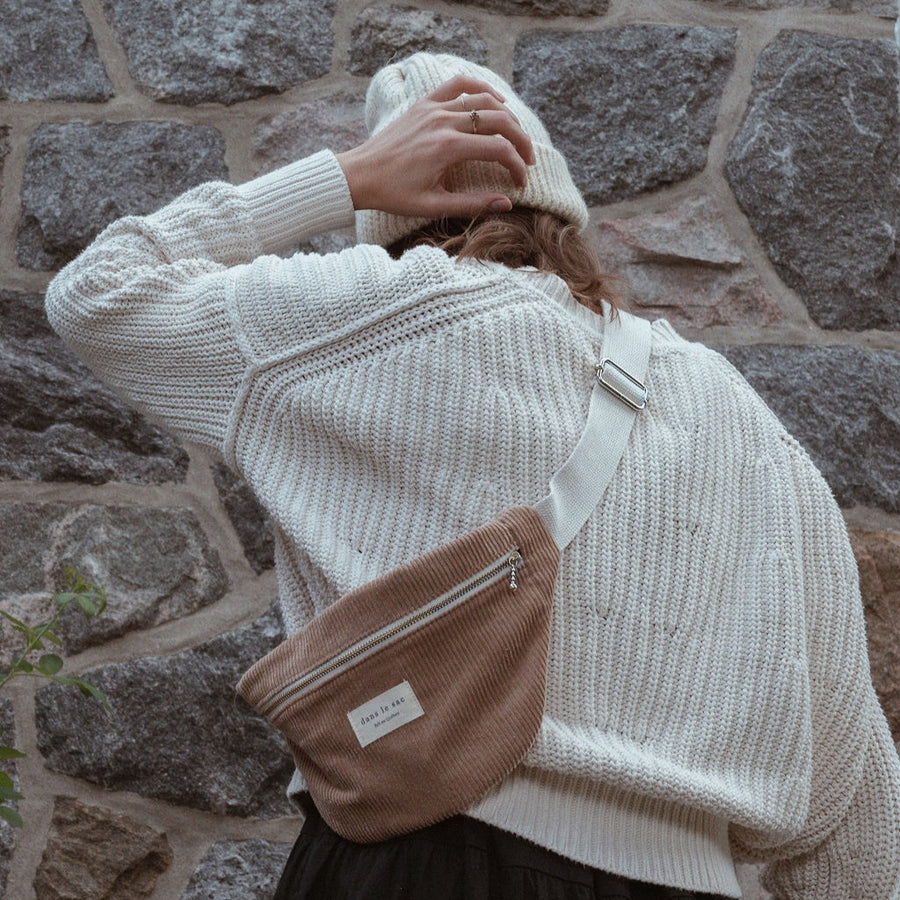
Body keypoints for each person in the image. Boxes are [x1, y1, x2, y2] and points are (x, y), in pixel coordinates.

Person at [46, 52, 899, 899]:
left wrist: (344, 175)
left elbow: (96, 293)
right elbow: (850, 791)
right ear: (558, 204)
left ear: (396, 206)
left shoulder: (359, 319)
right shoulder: (741, 417)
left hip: (424, 865)